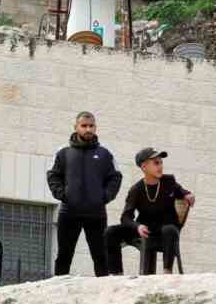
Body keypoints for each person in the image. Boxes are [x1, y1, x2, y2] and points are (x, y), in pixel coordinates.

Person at [47, 111, 122, 277]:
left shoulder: (105, 154)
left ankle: (104, 292)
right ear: (76, 127)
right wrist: (63, 194)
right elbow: (53, 175)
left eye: (91, 126)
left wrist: (105, 196)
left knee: (100, 257)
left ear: (95, 128)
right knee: (64, 256)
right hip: (69, 212)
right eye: (84, 126)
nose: (88, 129)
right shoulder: (63, 152)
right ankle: (59, 289)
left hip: (96, 214)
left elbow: (115, 177)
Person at [105, 148, 194, 275]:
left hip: (166, 230)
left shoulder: (169, 181)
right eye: (156, 163)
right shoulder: (136, 189)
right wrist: (138, 226)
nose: (160, 166)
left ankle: (167, 273)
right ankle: (116, 274)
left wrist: (187, 194)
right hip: (145, 229)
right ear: (144, 166)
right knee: (111, 231)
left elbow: (181, 191)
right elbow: (126, 217)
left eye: (161, 162)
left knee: (169, 230)